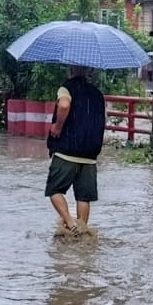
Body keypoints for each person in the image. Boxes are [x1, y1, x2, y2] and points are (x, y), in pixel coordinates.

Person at [45, 66, 107, 237]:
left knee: (54, 190)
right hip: (90, 154)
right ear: (88, 71)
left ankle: (70, 223)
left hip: (67, 149)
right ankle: (82, 230)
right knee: (83, 197)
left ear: (70, 70)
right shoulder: (97, 93)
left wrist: (57, 127)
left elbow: (64, 105)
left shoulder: (66, 88)